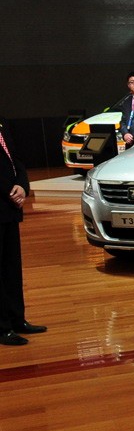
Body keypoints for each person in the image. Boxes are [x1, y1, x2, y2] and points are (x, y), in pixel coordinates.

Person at [0, 121, 46, 346]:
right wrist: (9, 190)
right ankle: (2, 328)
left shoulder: (2, 123)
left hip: (8, 209)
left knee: (12, 269)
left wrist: (22, 185)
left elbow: (15, 159)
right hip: (3, 200)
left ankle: (17, 320)